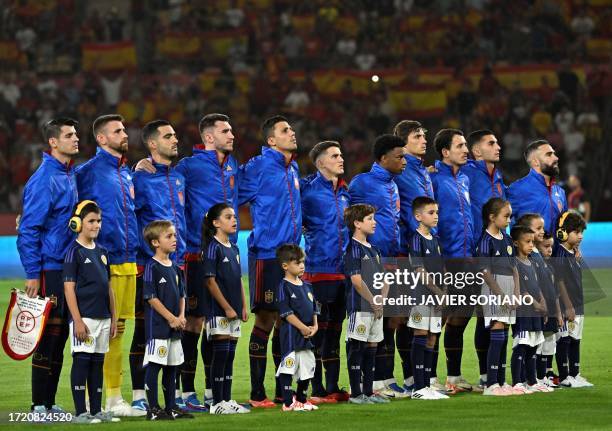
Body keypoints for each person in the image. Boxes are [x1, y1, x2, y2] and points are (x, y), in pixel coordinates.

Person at [75, 114, 140, 416]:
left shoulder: (125, 172)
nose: (124, 133)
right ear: (101, 139)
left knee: (118, 330)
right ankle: (93, 400)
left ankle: (114, 398)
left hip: (128, 261)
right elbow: (70, 212)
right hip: (104, 262)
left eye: (124, 129)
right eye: (117, 130)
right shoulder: (88, 172)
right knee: (100, 332)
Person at [174, 113, 239, 410]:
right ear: (209, 137)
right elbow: (167, 183)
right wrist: (144, 167)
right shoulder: (189, 166)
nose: (233, 135)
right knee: (195, 322)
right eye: (226, 131)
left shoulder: (233, 165)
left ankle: (215, 392)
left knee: (217, 324)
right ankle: (187, 391)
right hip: (197, 253)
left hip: (227, 252)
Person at [239, 115, 302, 407]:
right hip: (267, 255)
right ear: (271, 140)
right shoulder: (259, 166)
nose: (292, 133)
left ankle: (281, 391)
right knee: (266, 319)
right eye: (285, 130)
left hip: (291, 255)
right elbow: (230, 193)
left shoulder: (294, 169)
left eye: (291, 129)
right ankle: (256, 393)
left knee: (284, 322)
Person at [17, 117, 79, 414]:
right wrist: (32, 272)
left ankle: (51, 403)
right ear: (53, 142)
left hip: (66, 267)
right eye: (69, 135)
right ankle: (38, 404)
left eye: (76, 134)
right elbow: (28, 229)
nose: (76, 139)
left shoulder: (69, 175)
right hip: (49, 269)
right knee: (47, 337)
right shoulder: (44, 179)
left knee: (61, 338)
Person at [131, 120, 186, 413]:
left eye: (175, 135)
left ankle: (170, 399)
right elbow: (129, 217)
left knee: (175, 330)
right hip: (148, 264)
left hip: (176, 262)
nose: (175, 139)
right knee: (145, 331)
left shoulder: (178, 177)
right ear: (152, 144)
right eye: (168, 136)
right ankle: (140, 395)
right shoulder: (140, 178)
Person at [348, 134, 408, 398]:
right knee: (370, 321)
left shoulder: (395, 184)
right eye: (399, 156)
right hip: (370, 259)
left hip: (392, 258)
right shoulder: (362, 183)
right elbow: (348, 214)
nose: (403, 161)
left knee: (392, 320)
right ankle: (368, 383)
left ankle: (384, 378)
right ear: (383, 158)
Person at [300, 141, 350, 403]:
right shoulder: (307, 190)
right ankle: (315, 387)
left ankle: (332, 386)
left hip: (342, 272)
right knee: (317, 331)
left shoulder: (344, 191)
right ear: (320, 163)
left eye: (340, 154)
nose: (341, 159)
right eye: (334, 155)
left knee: (335, 330)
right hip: (318, 270)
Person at [63, 200, 119, 423]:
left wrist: (113, 318)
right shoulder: (73, 253)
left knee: (97, 363)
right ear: (77, 223)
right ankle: (80, 412)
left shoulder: (103, 252)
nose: (96, 225)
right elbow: (69, 288)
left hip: (103, 318)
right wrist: (77, 320)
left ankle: (96, 410)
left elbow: (109, 288)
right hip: (84, 318)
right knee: (82, 361)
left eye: (98, 221)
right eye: (91, 221)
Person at [430, 128, 476, 394]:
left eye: (466, 145)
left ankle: (455, 376)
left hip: (466, 258)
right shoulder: (433, 179)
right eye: (460, 146)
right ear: (446, 152)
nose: (465, 149)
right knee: (439, 319)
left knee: (460, 318)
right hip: (447, 258)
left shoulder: (465, 179)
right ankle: (432, 378)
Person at [392, 120, 437, 393]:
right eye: (417, 136)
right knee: (401, 318)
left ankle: (420, 378)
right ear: (403, 142)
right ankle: (406, 377)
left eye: (424, 135)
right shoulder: (401, 170)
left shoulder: (422, 171)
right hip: (406, 251)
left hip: (426, 249)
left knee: (421, 318)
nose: (423, 140)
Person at [464, 131, 507, 392]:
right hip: (475, 253)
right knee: (468, 317)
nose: (498, 146)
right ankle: (477, 375)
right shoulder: (467, 173)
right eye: (491, 143)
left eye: (497, 141)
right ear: (476, 151)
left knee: (487, 317)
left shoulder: (498, 178)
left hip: (498, 252)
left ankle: (488, 376)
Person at [201, 203, 250, 414]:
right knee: (219, 356)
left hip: (235, 310)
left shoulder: (235, 247)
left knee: (230, 355)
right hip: (218, 311)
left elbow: (238, 279)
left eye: (234, 216)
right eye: (228, 217)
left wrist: (243, 304)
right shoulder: (212, 247)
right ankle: (216, 402)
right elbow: (210, 281)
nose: (234, 220)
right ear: (215, 223)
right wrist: (227, 307)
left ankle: (228, 400)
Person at [142, 220, 193, 420]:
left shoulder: (176, 268)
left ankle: (171, 407)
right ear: (155, 242)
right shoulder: (151, 267)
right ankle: (153, 409)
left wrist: (181, 317)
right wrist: (171, 318)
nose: (174, 239)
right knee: (155, 365)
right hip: (158, 328)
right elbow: (151, 298)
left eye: (174, 235)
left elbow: (182, 295)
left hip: (175, 328)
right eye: (169, 236)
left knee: (173, 367)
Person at [343, 204, 389, 405]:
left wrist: (381, 301)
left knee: (372, 348)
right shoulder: (352, 248)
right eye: (370, 218)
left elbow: (385, 278)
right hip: (360, 308)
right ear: (357, 223)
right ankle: (355, 393)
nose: (374, 222)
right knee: (357, 347)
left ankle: (368, 392)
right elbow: (356, 280)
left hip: (375, 308)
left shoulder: (375, 249)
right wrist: (373, 301)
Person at [475, 198, 519, 396]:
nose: (509, 220)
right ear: (492, 217)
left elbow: (514, 267)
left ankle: (501, 381)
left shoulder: (508, 239)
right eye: (506, 216)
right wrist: (501, 296)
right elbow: (484, 272)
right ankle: (491, 384)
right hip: (493, 290)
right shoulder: (485, 241)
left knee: (504, 335)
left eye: (510, 216)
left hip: (509, 290)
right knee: (497, 331)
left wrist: (516, 293)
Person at [407, 197, 449, 400]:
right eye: (431, 212)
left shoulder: (436, 240)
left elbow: (442, 268)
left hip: (437, 297)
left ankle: (428, 383)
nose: (436, 216)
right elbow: (419, 270)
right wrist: (438, 291)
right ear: (418, 216)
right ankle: (418, 387)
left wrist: (445, 291)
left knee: (432, 337)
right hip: (421, 297)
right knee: (421, 335)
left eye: (437, 212)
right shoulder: (416, 239)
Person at [275, 244, 320, 412]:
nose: (302, 265)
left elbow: (314, 308)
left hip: (308, 334)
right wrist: (302, 327)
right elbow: (286, 313)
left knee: (308, 366)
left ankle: (302, 399)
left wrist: (314, 326)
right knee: (289, 366)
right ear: (285, 266)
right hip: (291, 334)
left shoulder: (307, 286)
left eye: (302, 262)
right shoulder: (283, 286)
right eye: (297, 262)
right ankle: (288, 403)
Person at [552, 212, 593, 388]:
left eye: (581, 232)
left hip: (578, 304)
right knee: (564, 340)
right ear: (565, 233)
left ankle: (575, 374)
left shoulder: (573, 254)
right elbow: (559, 282)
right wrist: (568, 306)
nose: (581, 236)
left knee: (576, 340)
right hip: (567, 305)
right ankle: (564, 376)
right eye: (576, 232)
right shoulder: (560, 254)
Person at [510, 225, 549, 394]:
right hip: (524, 312)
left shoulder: (531, 261)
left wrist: (543, 302)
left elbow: (536, 285)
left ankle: (531, 381)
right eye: (527, 242)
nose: (531, 245)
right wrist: (535, 303)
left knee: (534, 346)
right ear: (516, 243)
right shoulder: (515, 263)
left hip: (536, 312)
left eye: (532, 242)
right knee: (521, 345)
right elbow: (523, 290)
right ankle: (517, 382)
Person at [507, 140, 567, 235]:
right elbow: (499, 221)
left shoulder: (560, 192)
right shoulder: (517, 189)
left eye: (554, 154)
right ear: (536, 162)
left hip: (555, 249)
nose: (556, 158)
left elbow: (564, 228)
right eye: (549, 154)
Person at [531, 229, 562, 388]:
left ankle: (544, 375)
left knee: (549, 343)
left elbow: (555, 294)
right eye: (546, 246)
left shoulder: (550, 266)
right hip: (542, 311)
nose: (549, 249)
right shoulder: (536, 264)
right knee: (539, 344)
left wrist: (558, 313)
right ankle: (537, 376)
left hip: (551, 312)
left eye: (551, 246)